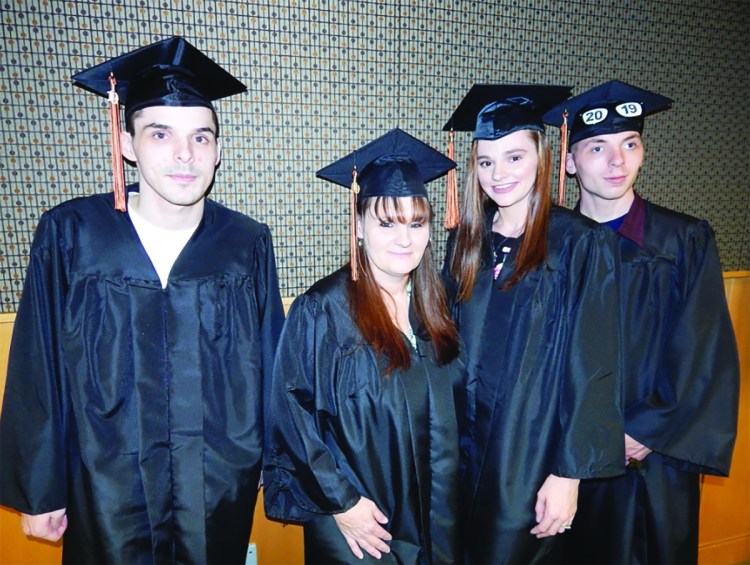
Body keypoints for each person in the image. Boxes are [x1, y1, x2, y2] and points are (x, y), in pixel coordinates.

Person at [0, 37, 285, 564]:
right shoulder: (72, 235)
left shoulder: (245, 244)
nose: (185, 154)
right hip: (104, 483)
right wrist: (41, 488)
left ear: (218, 151)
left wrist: (275, 459)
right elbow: (37, 367)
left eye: (202, 137)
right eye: (161, 134)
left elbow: (272, 363)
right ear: (127, 142)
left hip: (219, 479)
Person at [543, 79, 739, 564]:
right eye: (598, 147)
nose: (617, 160)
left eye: (630, 144)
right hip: (567, 460)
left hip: (649, 460)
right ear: (570, 161)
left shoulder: (682, 239)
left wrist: (645, 430)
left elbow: (703, 349)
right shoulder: (549, 245)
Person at [263, 128, 465, 564]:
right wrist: (342, 504)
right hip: (362, 524)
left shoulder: (438, 305)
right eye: (386, 222)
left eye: (417, 222)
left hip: (438, 515)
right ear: (358, 224)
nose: (405, 239)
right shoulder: (323, 311)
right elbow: (293, 417)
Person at [442, 84, 625, 564]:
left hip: (531, 455)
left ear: (542, 158)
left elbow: (595, 365)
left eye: (514, 157)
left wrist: (569, 475)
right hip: (460, 450)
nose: (499, 174)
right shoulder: (463, 244)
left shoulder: (580, 244)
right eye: (486, 162)